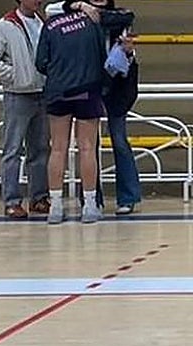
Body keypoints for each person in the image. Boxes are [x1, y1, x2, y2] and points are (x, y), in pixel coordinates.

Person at [35, 0, 132, 223]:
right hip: (87, 89)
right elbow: (103, 56)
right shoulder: (92, 23)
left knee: (58, 149)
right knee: (87, 147)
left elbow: (40, 62)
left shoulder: (50, 25)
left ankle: (56, 207)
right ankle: (90, 205)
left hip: (58, 90)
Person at [0, 0, 51, 220]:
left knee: (41, 149)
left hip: (42, 92)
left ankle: (39, 197)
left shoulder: (44, 23)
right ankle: (12, 201)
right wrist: (14, 76)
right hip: (17, 95)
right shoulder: (5, 25)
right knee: (12, 149)